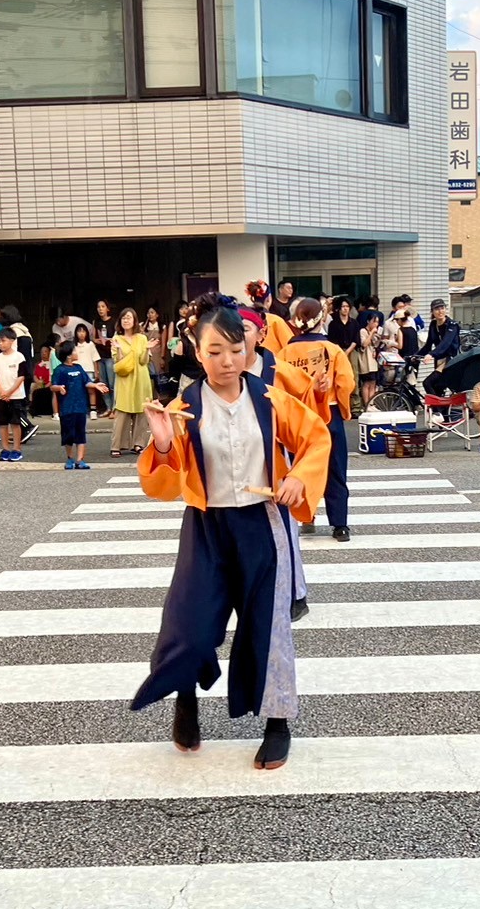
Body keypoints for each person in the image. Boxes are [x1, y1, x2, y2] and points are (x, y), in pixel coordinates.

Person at [131, 296, 331, 770]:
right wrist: (161, 443)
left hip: (262, 524)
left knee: (269, 628)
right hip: (207, 526)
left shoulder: (269, 397)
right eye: (215, 350)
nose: (227, 361)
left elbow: (315, 438)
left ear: (250, 347)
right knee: (190, 627)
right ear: (196, 352)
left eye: (235, 349)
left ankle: (277, 724)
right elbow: (163, 483)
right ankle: (186, 699)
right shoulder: (183, 407)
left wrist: (299, 475)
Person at [243, 305, 321, 622]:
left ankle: (293, 593)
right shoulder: (223, 372)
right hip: (239, 462)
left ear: (262, 334)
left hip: (276, 461)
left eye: (245, 329)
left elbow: (310, 423)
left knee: (283, 531)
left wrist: (320, 392)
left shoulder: (282, 371)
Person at [279, 297, 356, 542]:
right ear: (321, 319)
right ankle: (339, 524)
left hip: (297, 417)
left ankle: (306, 517)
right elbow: (347, 383)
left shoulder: (284, 353)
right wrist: (342, 406)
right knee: (335, 468)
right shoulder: (332, 350)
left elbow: (278, 388)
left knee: (300, 467)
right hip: (328, 413)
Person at [51, 341, 105, 470]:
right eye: (74, 351)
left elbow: (87, 382)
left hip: (80, 407)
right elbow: (53, 386)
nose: (77, 353)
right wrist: (59, 388)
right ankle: (70, 458)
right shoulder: (59, 370)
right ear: (69, 355)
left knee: (81, 434)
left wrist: (96, 385)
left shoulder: (79, 368)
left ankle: (80, 460)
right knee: (68, 435)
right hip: (66, 408)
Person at [110, 308, 153, 457]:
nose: (126, 320)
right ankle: (117, 445)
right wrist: (120, 350)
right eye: (123, 318)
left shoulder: (142, 338)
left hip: (141, 378)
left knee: (141, 412)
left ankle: (138, 444)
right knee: (122, 411)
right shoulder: (117, 339)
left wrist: (147, 350)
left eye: (129, 318)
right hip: (125, 379)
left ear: (135, 320)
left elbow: (143, 361)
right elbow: (118, 363)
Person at [0, 305, 39, 446]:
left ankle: (27, 427)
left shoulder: (13, 333)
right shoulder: (24, 331)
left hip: (16, 372)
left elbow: (10, 355)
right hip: (26, 370)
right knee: (20, 403)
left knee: (13, 405)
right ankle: (23, 432)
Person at [0, 328, 28, 463]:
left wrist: (9, 392)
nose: (1, 344)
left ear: (12, 341)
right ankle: (5, 448)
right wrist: (1, 392)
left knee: (15, 422)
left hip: (16, 395)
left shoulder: (19, 357)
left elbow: (21, 376)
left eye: (4, 341)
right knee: (2, 423)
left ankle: (17, 449)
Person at [418, 298, 460, 390]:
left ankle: (437, 405)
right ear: (432, 312)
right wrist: (415, 356)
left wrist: (431, 354)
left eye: (442, 308)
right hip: (439, 360)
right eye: (437, 309)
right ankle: (440, 404)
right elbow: (428, 345)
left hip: (450, 360)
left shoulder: (452, 325)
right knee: (437, 388)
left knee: (428, 383)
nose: (440, 311)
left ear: (445, 309)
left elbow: (445, 343)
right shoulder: (433, 325)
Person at [92, 300, 116, 414]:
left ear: (107, 308)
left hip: (110, 355)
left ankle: (115, 408)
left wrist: (108, 340)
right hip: (99, 356)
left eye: (103, 306)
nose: (100, 309)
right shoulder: (96, 322)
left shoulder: (114, 322)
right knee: (103, 383)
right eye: (98, 307)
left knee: (112, 384)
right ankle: (108, 408)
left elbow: (117, 338)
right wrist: (98, 340)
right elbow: (93, 338)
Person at [356, 311, 382, 411]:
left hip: (373, 360)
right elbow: (364, 344)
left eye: (377, 322)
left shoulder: (376, 333)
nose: (376, 324)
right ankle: (366, 404)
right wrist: (371, 333)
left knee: (373, 382)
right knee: (366, 382)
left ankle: (371, 403)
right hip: (365, 360)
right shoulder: (363, 331)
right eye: (374, 322)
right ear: (368, 321)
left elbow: (376, 345)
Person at [30, 344, 58, 417]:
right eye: (42, 352)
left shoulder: (52, 364)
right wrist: (38, 382)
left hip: (49, 384)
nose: (43, 353)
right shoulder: (38, 364)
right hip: (39, 383)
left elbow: (52, 378)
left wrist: (46, 385)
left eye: (45, 351)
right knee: (33, 387)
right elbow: (35, 375)